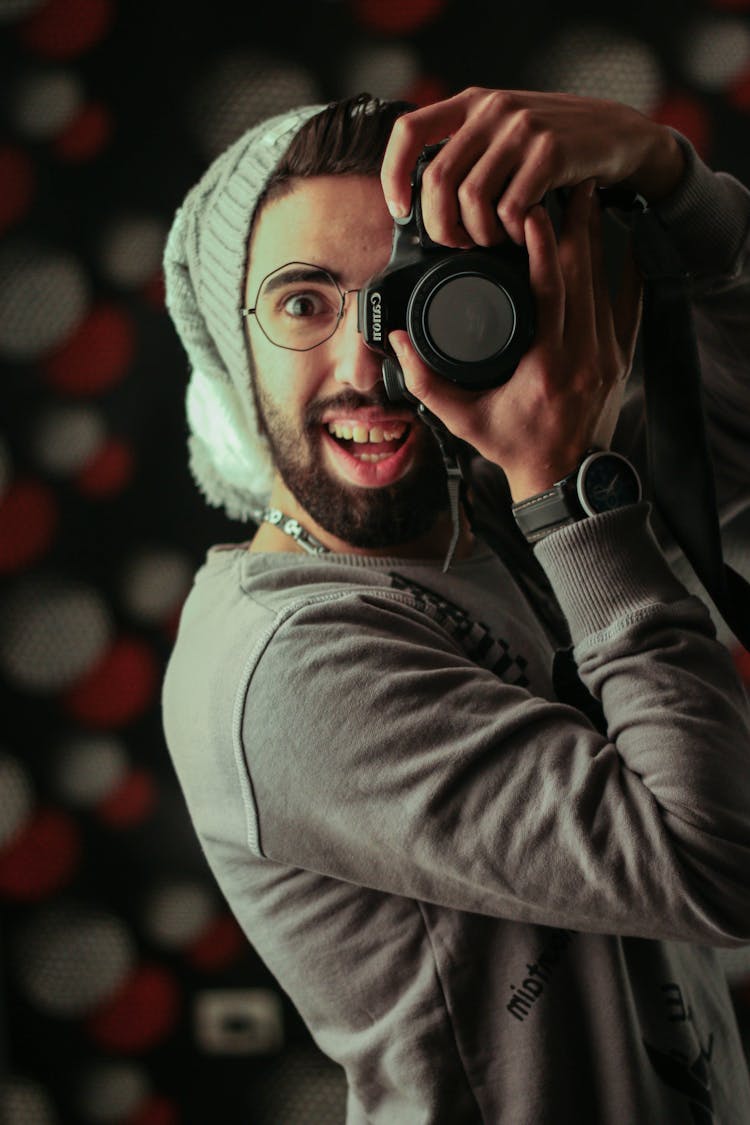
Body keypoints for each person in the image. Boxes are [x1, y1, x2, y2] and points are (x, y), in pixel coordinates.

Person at [161, 86, 750, 1123]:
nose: (370, 365)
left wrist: (670, 181)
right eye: (304, 301)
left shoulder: (488, 511)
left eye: (402, 291)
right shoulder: (286, 664)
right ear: (229, 352)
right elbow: (719, 865)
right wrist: (569, 483)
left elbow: (736, 465)